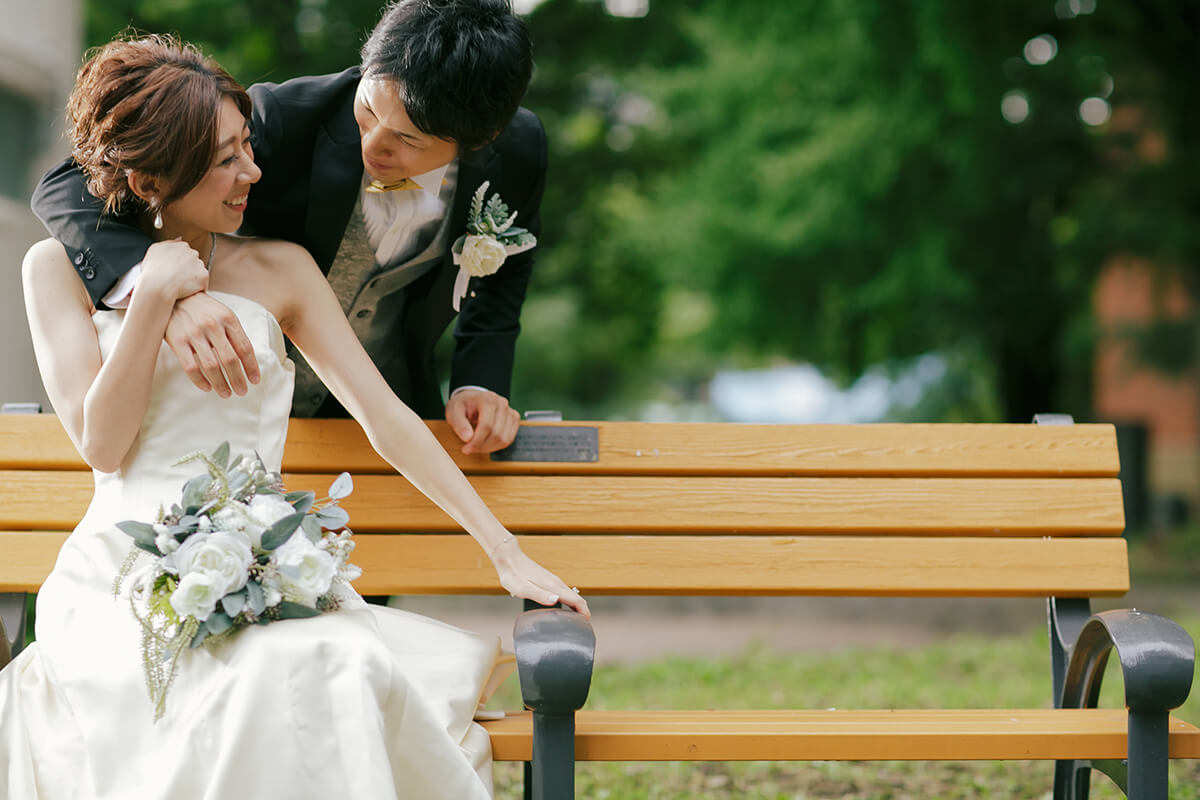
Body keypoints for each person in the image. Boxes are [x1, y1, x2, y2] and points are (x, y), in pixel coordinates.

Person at [0, 35, 586, 800]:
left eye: (249, 147)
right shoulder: (55, 270)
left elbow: (386, 418)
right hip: (121, 573)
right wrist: (153, 296)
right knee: (262, 684)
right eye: (228, 160)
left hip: (265, 560)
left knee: (332, 665)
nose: (255, 172)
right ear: (151, 177)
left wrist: (504, 551)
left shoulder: (280, 268)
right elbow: (103, 448)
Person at [31, 0, 542, 455]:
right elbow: (69, 185)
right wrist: (164, 293)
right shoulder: (285, 118)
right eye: (367, 111)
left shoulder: (517, 155)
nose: (374, 146)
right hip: (234, 413)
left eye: (406, 139)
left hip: (384, 415)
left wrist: (479, 383)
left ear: (481, 138)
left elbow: (500, 281)